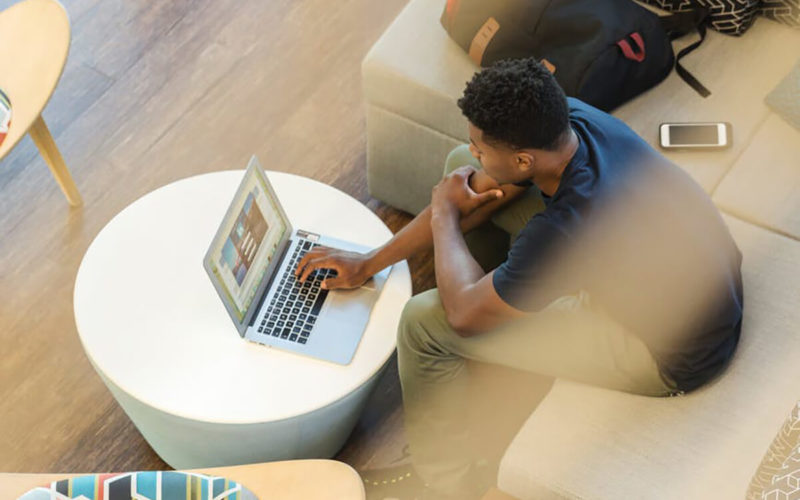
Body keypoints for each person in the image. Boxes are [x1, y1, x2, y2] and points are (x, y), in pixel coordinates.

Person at [294, 57, 744, 500]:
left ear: (526, 158)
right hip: (699, 280)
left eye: (482, 147)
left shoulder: (570, 225)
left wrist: (446, 217)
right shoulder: (572, 120)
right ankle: (500, 311)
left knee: (424, 322)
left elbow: (462, 316)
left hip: (668, 351)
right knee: (467, 175)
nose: (474, 152)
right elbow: (492, 185)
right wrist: (369, 261)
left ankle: (447, 483)